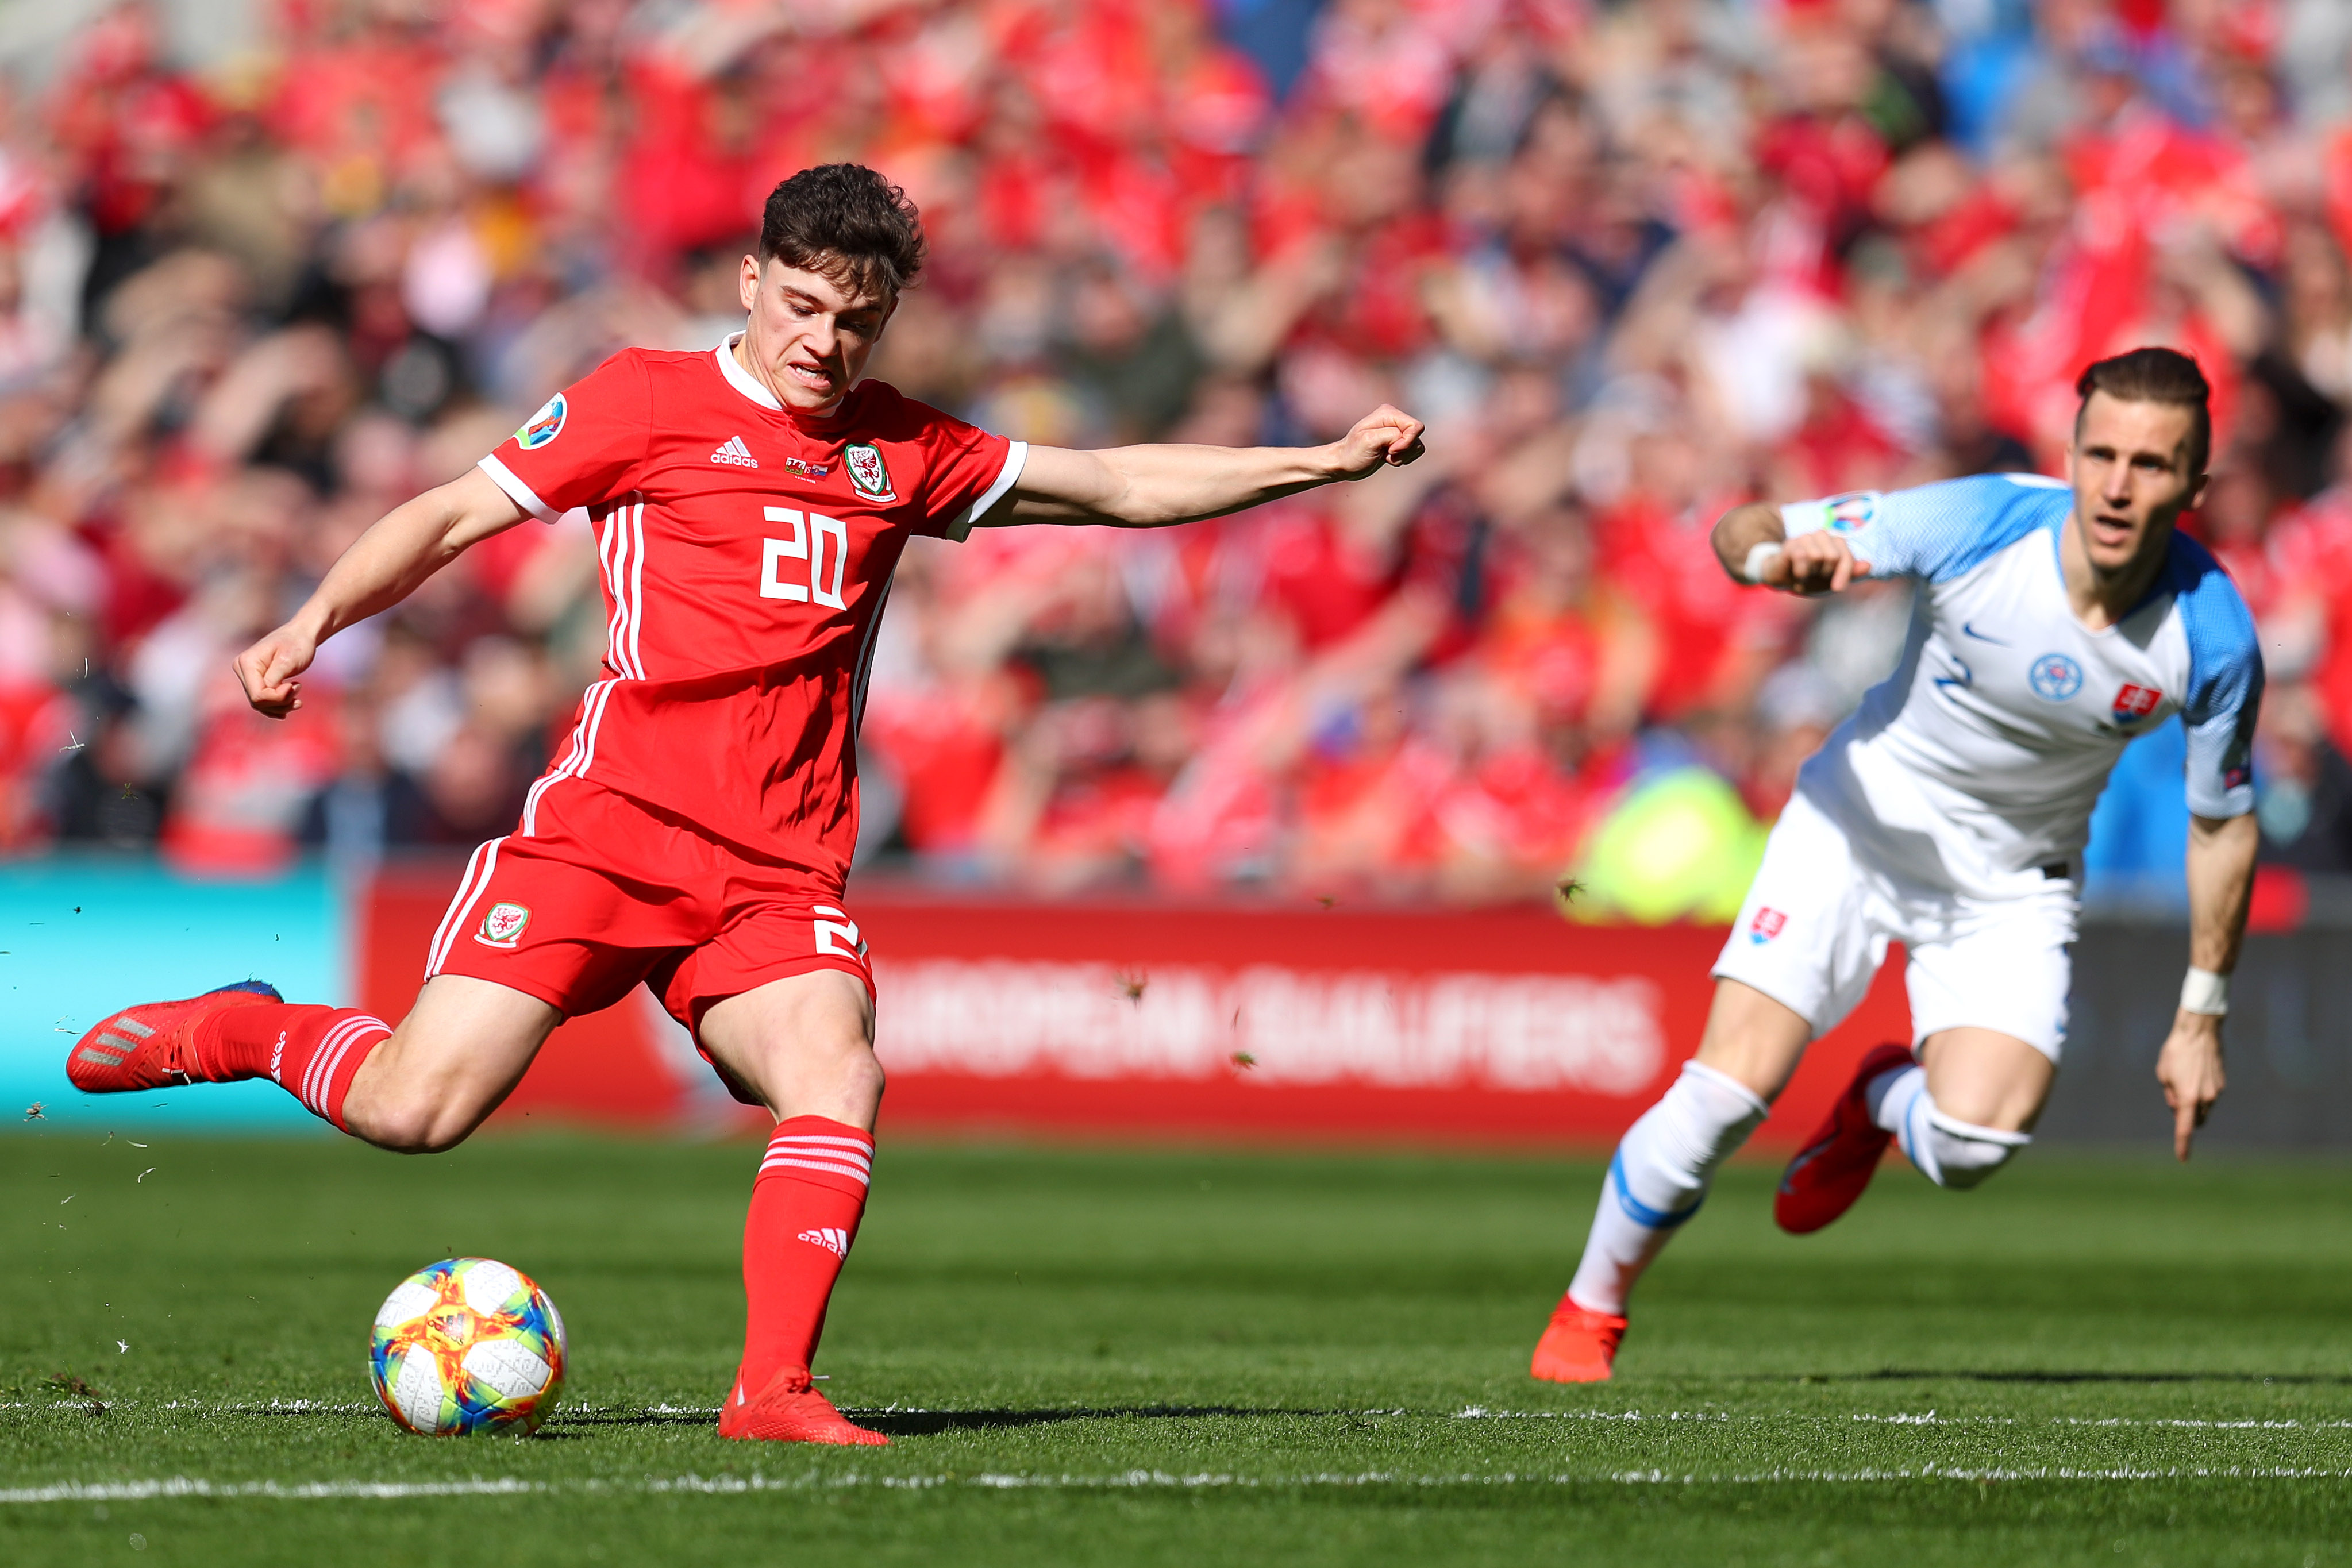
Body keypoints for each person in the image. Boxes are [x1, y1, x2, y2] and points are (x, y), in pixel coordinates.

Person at [66, 164, 1426, 1443]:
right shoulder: (642, 402)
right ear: (748, 281)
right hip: (608, 831)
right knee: (418, 1113)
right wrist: (312, 620)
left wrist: (1320, 460)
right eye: (803, 306)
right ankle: (244, 1028)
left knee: (838, 1070)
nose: (825, 344)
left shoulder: (906, 450)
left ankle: (771, 1387)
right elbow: (449, 514)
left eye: (857, 320)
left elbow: (1119, 484)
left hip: (777, 876)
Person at [1530, 347, 2263, 1383]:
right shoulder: (1981, 521)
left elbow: (2222, 825)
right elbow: (1748, 527)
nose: (2114, 484)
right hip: (1856, 824)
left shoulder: (2213, 635)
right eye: (2099, 453)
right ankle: (1589, 1311)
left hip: (2012, 880)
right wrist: (1772, 563)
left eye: (2150, 464)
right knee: (1726, 1094)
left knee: (1972, 1142)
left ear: (2194, 485)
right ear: (2069, 451)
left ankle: (1879, 1095)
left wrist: (2200, 1016)